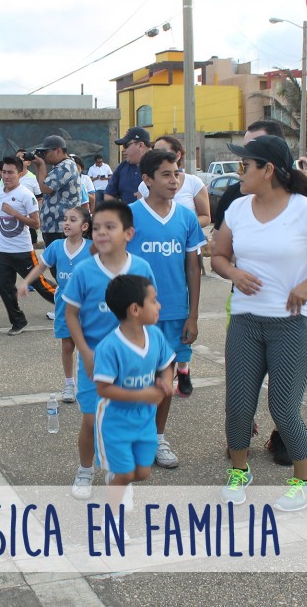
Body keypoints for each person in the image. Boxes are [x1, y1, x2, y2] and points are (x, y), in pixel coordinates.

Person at [212, 135, 307, 512]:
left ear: (268, 169)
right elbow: (218, 256)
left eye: (246, 165)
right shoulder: (239, 209)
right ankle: (239, 472)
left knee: (283, 407)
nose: (240, 172)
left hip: (293, 324)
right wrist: (234, 273)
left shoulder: (306, 210)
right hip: (246, 320)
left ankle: (305, 480)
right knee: (238, 404)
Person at [62, 199, 155, 500]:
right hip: (94, 363)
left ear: (129, 233)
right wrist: (85, 353)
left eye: (110, 227)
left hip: (130, 366)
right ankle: (85, 469)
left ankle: (118, 477)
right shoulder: (85, 271)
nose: (101, 233)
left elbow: (149, 314)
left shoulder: (141, 268)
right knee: (91, 421)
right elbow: (71, 314)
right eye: (97, 227)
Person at [129, 149, 205, 469]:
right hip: (137, 316)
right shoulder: (128, 215)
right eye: (165, 174)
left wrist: (193, 314)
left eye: (176, 173)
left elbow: (192, 267)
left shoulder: (186, 217)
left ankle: (158, 438)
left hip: (174, 313)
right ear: (147, 180)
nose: (174, 180)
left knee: (165, 384)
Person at [94, 274, 175, 511]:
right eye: (153, 301)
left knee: (142, 472)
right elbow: (103, 388)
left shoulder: (156, 336)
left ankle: (119, 480)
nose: (159, 305)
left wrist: (167, 383)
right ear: (135, 310)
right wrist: (142, 395)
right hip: (114, 422)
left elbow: (166, 365)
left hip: (145, 420)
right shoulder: (110, 347)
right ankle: (113, 518)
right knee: (125, 473)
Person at [20, 207, 91, 402]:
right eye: (65, 219)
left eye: (73, 219)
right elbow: (40, 267)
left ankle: (91, 383)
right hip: (64, 305)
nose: (66, 223)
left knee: (89, 346)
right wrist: (26, 282)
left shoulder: (93, 248)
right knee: (67, 346)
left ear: (84, 226)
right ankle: (69, 384)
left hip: (88, 307)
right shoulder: (57, 246)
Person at [0, 156, 56, 335]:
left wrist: (15, 213)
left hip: (23, 251)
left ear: (19, 174)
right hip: (3, 251)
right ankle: (18, 321)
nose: (7, 176)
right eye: (4, 172)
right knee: (4, 288)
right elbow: (0, 218)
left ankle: (69, 303)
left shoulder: (26, 195)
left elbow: (36, 223)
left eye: (11, 172)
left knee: (41, 285)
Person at [136, 136, 212, 226]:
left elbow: (206, 217)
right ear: (147, 180)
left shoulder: (194, 183)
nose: (174, 181)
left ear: (178, 155)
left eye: (163, 151)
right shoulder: (143, 187)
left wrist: (181, 227)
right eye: (155, 151)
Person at [30, 135, 82, 246]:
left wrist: (42, 164)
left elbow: (45, 188)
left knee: (58, 261)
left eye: (46, 153)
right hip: (55, 226)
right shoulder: (61, 166)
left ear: (58, 151)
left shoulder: (65, 167)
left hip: (60, 226)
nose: (44, 156)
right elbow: (42, 184)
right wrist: (38, 165)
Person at [103, 127, 149, 204]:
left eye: (126, 145)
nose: (123, 150)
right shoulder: (122, 167)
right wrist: (121, 212)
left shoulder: (159, 165)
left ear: (140, 145)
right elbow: (109, 194)